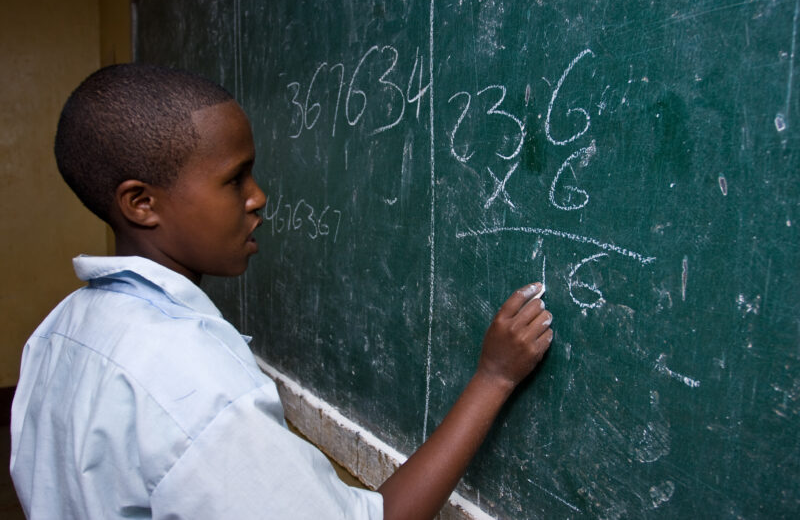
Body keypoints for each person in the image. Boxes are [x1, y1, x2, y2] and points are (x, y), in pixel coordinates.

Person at [10, 64, 553, 520]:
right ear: (141, 203)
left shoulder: (59, 333)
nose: (258, 197)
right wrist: (494, 377)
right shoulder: (194, 389)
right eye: (234, 179)